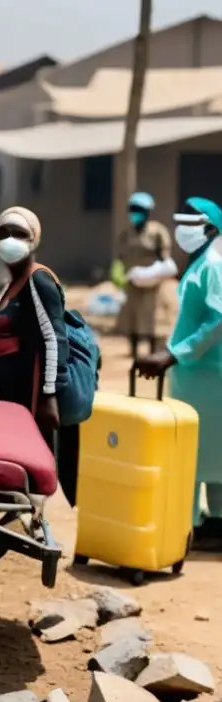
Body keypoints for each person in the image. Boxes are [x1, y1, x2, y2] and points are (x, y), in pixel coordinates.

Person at [0, 207, 79, 504]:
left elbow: (53, 338)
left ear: (33, 240)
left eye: (19, 234)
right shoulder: (9, 284)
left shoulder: (38, 280)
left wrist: (49, 395)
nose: (10, 239)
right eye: (4, 233)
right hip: (6, 391)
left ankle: (29, 510)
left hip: (29, 391)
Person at [135, 197, 222, 531]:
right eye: (180, 224)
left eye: (191, 225)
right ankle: (207, 523)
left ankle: (185, 528)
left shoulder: (212, 266)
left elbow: (217, 321)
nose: (183, 231)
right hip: (193, 378)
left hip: (207, 379)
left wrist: (173, 354)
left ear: (211, 229)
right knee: (201, 456)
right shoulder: (199, 264)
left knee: (197, 456)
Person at [115, 192, 175, 359]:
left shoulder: (157, 232)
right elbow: (120, 258)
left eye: (139, 210)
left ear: (148, 212)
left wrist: (152, 274)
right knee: (132, 318)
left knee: (151, 319)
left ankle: (152, 352)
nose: (134, 213)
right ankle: (133, 352)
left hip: (152, 283)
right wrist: (119, 275)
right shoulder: (126, 234)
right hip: (132, 282)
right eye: (132, 209)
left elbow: (165, 259)